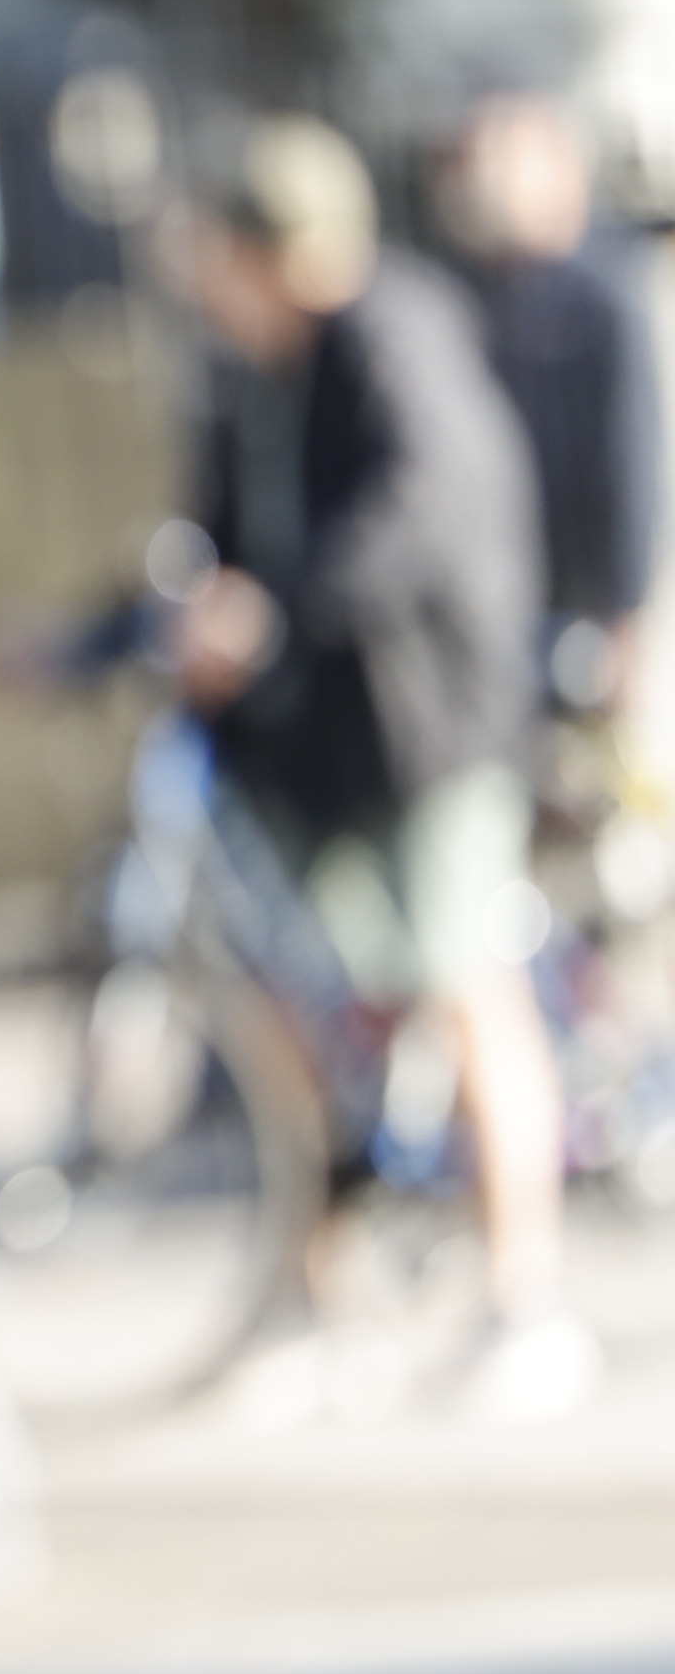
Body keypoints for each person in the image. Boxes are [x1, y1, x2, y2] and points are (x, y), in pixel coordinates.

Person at [164, 110, 585, 1416]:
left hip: (428, 731)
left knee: (468, 989)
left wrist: (273, 612)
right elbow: (217, 541)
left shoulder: (396, 337)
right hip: (311, 749)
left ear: (273, 250)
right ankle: (325, 1301)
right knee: (289, 1010)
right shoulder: (253, 377)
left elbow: (418, 512)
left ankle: (524, 1301)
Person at [434, 89, 662, 716]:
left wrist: (627, 611)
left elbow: (631, 457)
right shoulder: (470, 287)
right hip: (499, 584)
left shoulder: (602, 292)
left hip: (579, 588)